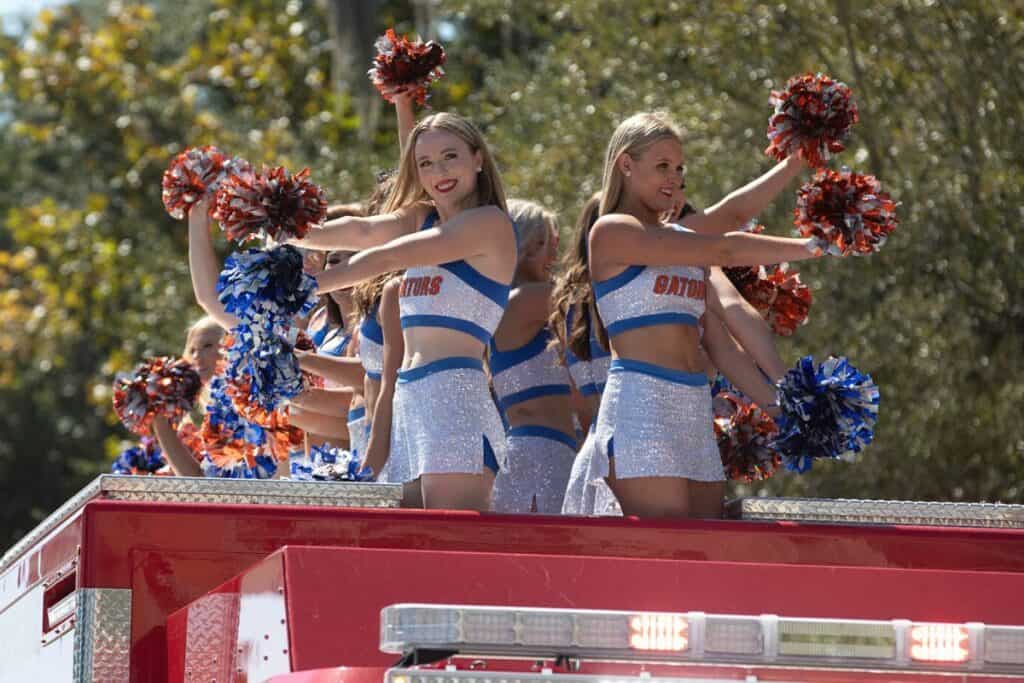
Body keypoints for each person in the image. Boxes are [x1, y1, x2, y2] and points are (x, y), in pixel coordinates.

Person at [586, 111, 821, 518]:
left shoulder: (681, 242)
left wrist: (786, 410)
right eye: (662, 166)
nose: (674, 178)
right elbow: (726, 246)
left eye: (679, 168)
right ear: (626, 164)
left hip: (693, 408)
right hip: (641, 407)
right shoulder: (611, 232)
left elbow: (724, 349)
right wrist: (812, 247)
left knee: (703, 550)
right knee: (665, 556)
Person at [294, 112, 518, 511]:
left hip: (454, 399)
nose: (439, 172)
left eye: (451, 157)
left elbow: (387, 256)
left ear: (478, 159)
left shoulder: (489, 223)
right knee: (411, 547)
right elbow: (360, 231)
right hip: (410, 402)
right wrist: (283, 226)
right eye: (425, 163)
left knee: (452, 549)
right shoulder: (422, 216)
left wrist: (300, 288)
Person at [489, 199, 576, 513]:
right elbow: (590, 295)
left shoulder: (532, 302)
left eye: (554, 242)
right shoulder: (522, 300)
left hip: (557, 453)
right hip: (538, 459)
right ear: (518, 246)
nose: (552, 254)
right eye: (541, 243)